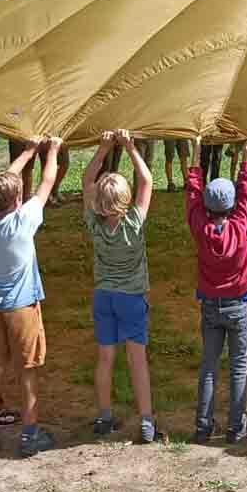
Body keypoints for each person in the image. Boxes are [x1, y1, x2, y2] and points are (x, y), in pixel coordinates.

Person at [0, 135, 64, 459]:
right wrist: (51, 149)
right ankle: (29, 435)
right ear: (16, 199)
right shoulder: (24, 220)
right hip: (22, 309)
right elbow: (47, 180)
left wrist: (27, 151)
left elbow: (2, 185)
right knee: (27, 372)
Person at [83, 130, 156, 443]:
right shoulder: (134, 222)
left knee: (105, 358)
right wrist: (129, 147)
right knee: (136, 359)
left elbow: (87, 180)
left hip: (104, 296)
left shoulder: (94, 223)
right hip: (131, 297)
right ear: (127, 201)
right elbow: (147, 181)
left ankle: (104, 416)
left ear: (98, 201)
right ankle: (146, 421)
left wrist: (103, 149)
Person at [186, 140, 247, 444]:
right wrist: (246, 157)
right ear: (233, 206)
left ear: (205, 205)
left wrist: (196, 153)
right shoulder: (242, 226)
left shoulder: (199, 226)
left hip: (210, 308)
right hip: (238, 307)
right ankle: (236, 428)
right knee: (239, 365)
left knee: (209, 366)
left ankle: (203, 427)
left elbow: (191, 195)